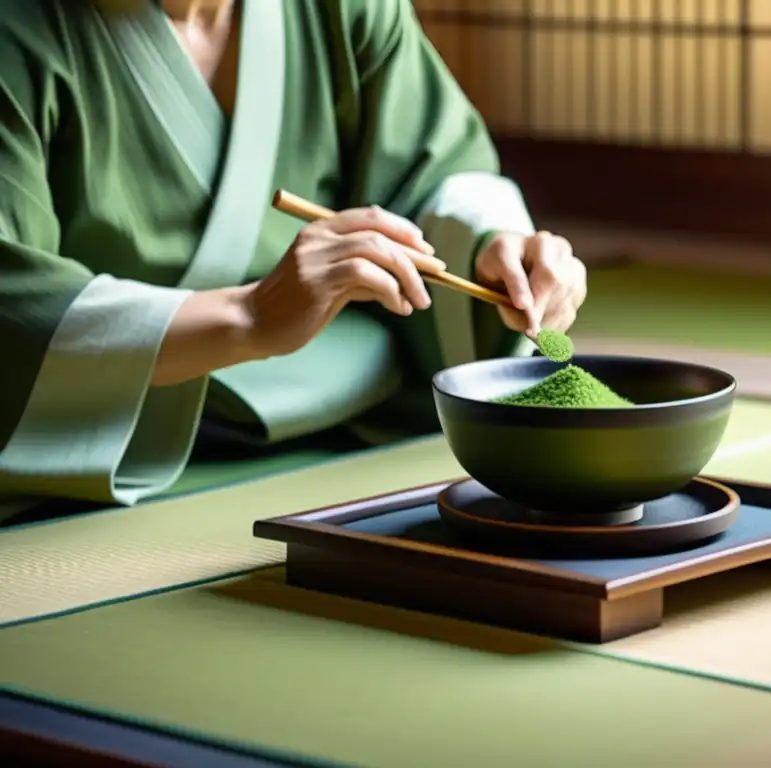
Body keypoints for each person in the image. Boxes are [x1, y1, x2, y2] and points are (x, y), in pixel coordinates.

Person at [0, 0, 588, 506]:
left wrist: (494, 243)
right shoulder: (19, 30)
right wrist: (248, 317)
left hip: (354, 423)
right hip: (116, 438)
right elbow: (14, 302)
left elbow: (436, 170)